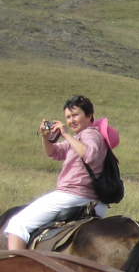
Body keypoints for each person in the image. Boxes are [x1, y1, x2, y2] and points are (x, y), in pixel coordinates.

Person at [5, 95, 113, 251]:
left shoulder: (90, 134)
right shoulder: (79, 137)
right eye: (68, 117)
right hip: (95, 202)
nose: (71, 120)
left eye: (75, 115)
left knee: (17, 224)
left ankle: (17, 270)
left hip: (74, 196)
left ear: (89, 115)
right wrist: (45, 137)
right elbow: (54, 153)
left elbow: (90, 155)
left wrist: (65, 134)